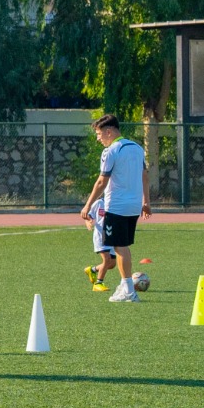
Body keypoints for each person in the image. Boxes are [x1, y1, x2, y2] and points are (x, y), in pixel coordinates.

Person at [81, 114, 149, 301]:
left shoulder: (111, 151)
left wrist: (87, 205)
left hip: (117, 206)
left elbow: (102, 180)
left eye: (99, 134)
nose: (98, 138)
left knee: (120, 247)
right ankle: (124, 285)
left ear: (109, 132)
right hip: (134, 206)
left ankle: (128, 289)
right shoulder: (137, 148)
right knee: (122, 246)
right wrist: (146, 202)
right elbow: (145, 176)